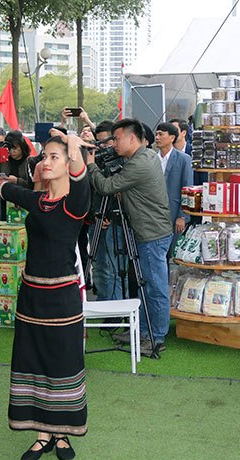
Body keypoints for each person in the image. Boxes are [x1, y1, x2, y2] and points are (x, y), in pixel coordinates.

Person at [0, 132, 91, 460]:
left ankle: (62, 434)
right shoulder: (38, 200)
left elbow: (82, 179)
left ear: (68, 163)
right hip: (30, 296)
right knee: (32, 361)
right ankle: (42, 434)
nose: (45, 162)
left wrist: (73, 147)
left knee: (61, 362)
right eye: (44, 157)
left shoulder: (75, 204)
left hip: (62, 297)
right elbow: (8, 189)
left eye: (53, 157)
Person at [87, 119, 171, 356]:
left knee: (155, 287)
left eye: (117, 138)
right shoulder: (142, 157)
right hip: (148, 232)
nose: (114, 143)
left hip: (152, 234)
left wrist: (91, 165)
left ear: (132, 138)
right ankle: (142, 331)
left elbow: (106, 186)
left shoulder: (139, 164)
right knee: (145, 285)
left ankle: (156, 337)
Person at [88, 121, 126, 302]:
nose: (103, 147)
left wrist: (110, 215)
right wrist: (97, 213)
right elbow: (93, 191)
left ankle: (116, 305)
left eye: (107, 141)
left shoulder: (124, 163)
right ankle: (102, 301)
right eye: (99, 143)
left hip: (117, 221)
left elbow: (113, 190)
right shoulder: (96, 163)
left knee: (115, 267)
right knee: (98, 263)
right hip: (96, 219)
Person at [155, 122, 192, 254]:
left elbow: (187, 188)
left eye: (161, 134)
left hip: (175, 214)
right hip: (155, 216)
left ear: (171, 138)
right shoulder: (152, 159)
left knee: (174, 254)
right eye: (156, 134)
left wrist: (182, 216)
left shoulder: (184, 159)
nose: (157, 137)